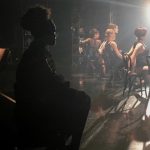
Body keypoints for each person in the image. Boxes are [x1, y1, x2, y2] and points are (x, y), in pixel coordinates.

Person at [15, 6, 90, 150]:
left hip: (35, 106)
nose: (56, 35)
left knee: (77, 98)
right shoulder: (36, 54)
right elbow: (48, 85)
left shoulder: (37, 51)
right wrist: (61, 83)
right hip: (36, 113)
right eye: (53, 31)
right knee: (83, 100)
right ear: (44, 32)